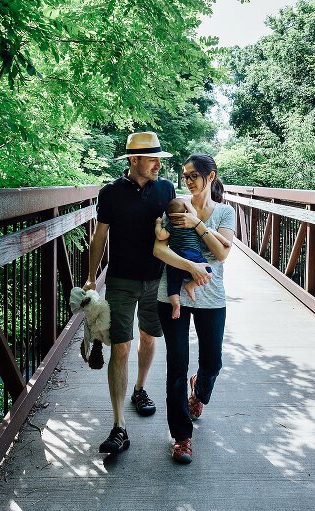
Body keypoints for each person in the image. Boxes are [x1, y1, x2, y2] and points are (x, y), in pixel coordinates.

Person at [83, 131, 185, 455]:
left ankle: (140, 388)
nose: (158, 164)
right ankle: (118, 427)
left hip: (156, 280)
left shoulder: (167, 189)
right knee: (121, 348)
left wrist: (187, 273)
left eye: (159, 158)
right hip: (121, 280)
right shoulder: (110, 193)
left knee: (149, 339)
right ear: (134, 160)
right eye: (152, 158)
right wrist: (89, 277)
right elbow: (99, 237)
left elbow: (180, 229)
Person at [153, 154, 235, 464]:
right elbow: (158, 247)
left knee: (212, 362)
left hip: (211, 296)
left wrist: (198, 224)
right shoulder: (174, 206)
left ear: (210, 177)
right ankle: (182, 437)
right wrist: (189, 265)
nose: (187, 180)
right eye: (184, 175)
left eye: (193, 175)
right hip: (172, 293)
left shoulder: (225, 213)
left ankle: (198, 393)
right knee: (176, 366)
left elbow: (222, 254)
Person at [154, 198, 231, 319]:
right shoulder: (194, 224)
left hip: (176, 262)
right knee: (209, 273)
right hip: (195, 257)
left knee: (173, 285)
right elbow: (209, 231)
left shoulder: (171, 225)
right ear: (186, 211)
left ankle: (176, 305)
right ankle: (191, 285)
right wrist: (225, 241)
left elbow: (160, 235)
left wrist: (158, 224)